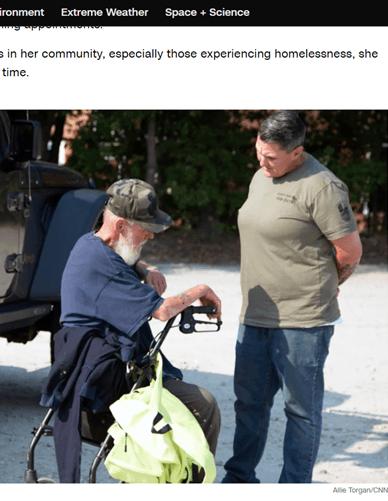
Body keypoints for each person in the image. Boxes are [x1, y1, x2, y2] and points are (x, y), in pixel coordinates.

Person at [41, 178, 223, 483]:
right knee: (203, 403)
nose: (151, 234)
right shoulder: (107, 268)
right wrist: (201, 289)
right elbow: (163, 311)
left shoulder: (87, 244)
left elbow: (120, 256)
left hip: (86, 374)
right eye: (145, 228)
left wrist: (145, 268)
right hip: (104, 386)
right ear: (121, 225)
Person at [222, 111, 363, 483]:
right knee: (249, 406)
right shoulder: (260, 177)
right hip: (255, 316)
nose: (261, 161)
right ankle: (239, 480)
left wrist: (330, 284)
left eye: (270, 156)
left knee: (300, 412)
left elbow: (350, 252)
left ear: (297, 153)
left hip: (303, 322)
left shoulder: (323, 187)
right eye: (258, 151)